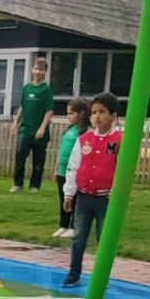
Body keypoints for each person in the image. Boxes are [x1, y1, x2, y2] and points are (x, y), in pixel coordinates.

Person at [60, 92, 122, 289]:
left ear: (113, 116)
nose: (97, 117)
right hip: (85, 197)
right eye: (94, 112)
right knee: (79, 237)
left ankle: (101, 277)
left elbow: (123, 167)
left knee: (104, 239)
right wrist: (69, 192)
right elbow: (74, 165)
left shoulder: (120, 140)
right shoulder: (84, 139)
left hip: (106, 199)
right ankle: (73, 273)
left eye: (102, 112)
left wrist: (117, 190)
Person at [10, 55, 54, 192]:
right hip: (25, 130)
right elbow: (22, 106)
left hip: (39, 132)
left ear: (45, 72)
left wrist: (42, 128)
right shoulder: (27, 88)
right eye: (36, 68)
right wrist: (15, 122)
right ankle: (18, 184)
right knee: (20, 157)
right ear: (31, 70)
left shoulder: (46, 90)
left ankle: (34, 186)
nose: (38, 72)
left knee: (38, 161)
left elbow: (49, 111)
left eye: (41, 69)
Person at [53, 98, 91, 237]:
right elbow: (62, 149)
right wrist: (56, 169)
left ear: (81, 113)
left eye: (71, 113)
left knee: (74, 200)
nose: (68, 116)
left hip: (75, 172)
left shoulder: (85, 131)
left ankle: (74, 226)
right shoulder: (69, 130)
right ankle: (63, 225)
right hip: (63, 171)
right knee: (63, 198)